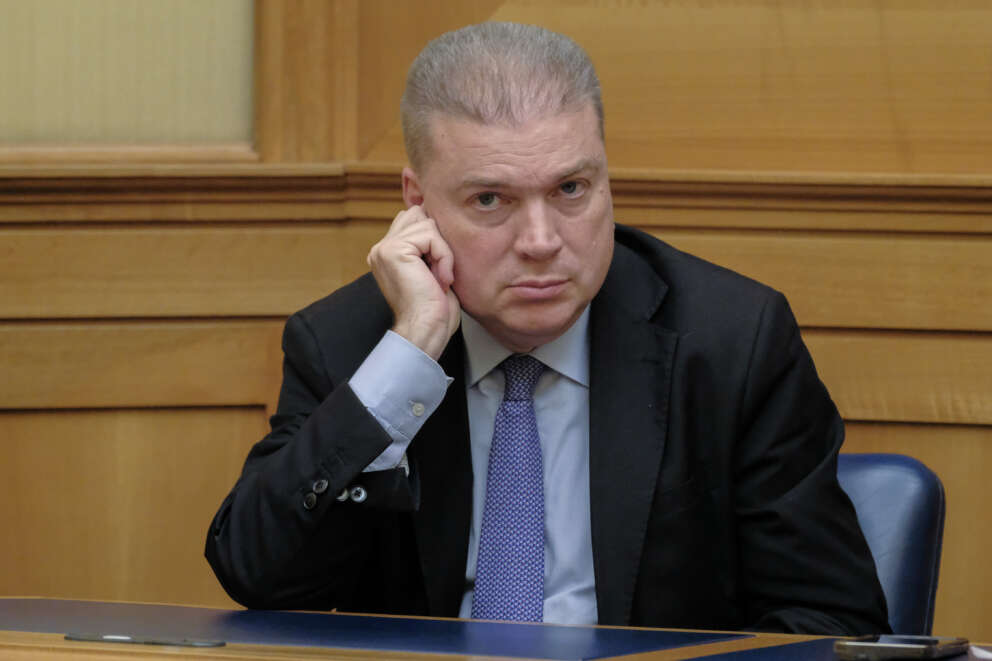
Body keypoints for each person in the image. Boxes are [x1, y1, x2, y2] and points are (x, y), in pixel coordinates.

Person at [205, 21, 889, 634]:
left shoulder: (731, 341)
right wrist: (407, 358)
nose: (541, 240)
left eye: (570, 190)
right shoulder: (353, 344)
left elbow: (831, 619)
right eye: (490, 199)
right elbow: (258, 576)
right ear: (418, 204)